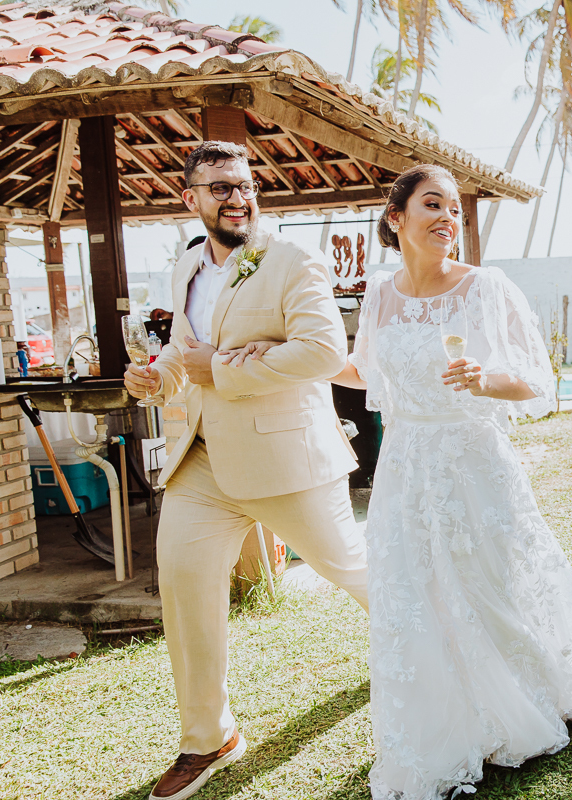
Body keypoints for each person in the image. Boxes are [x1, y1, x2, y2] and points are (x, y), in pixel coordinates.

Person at [241, 165, 572, 799]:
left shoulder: (486, 287)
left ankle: (524, 700)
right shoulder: (380, 294)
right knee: (414, 592)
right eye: (432, 204)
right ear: (396, 219)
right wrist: (284, 356)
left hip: (473, 460)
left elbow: (535, 380)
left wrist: (484, 379)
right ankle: (450, 716)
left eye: (453, 208)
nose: (448, 217)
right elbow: (362, 368)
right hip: (405, 465)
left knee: (489, 583)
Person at [122, 142, 373, 800]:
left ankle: (444, 652)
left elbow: (323, 351)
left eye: (243, 185)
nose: (235, 198)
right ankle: (208, 737)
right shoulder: (185, 268)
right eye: (218, 188)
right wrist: (154, 379)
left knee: (360, 572)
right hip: (201, 460)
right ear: (191, 199)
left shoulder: (292, 258)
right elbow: (184, 353)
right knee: (183, 584)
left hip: (286, 459)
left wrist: (222, 370)